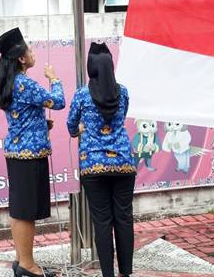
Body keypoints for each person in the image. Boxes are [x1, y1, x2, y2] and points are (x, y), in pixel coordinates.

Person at [0, 27, 65, 277]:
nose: (34, 53)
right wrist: (54, 79)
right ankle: (27, 265)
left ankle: (21, 260)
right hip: (29, 154)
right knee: (26, 213)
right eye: (31, 50)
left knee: (19, 210)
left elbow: (20, 116)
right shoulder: (26, 83)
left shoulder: (11, 81)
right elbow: (58, 102)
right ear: (22, 58)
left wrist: (39, 124)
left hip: (16, 151)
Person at [67, 42, 136, 277]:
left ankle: (107, 274)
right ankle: (125, 273)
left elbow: (70, 126)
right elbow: (122, 115)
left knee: (102, 221)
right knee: (124, 218)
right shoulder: (123, 91)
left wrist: (80, 130)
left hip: (93, 167)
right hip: (124, 165)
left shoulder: (81, 96)